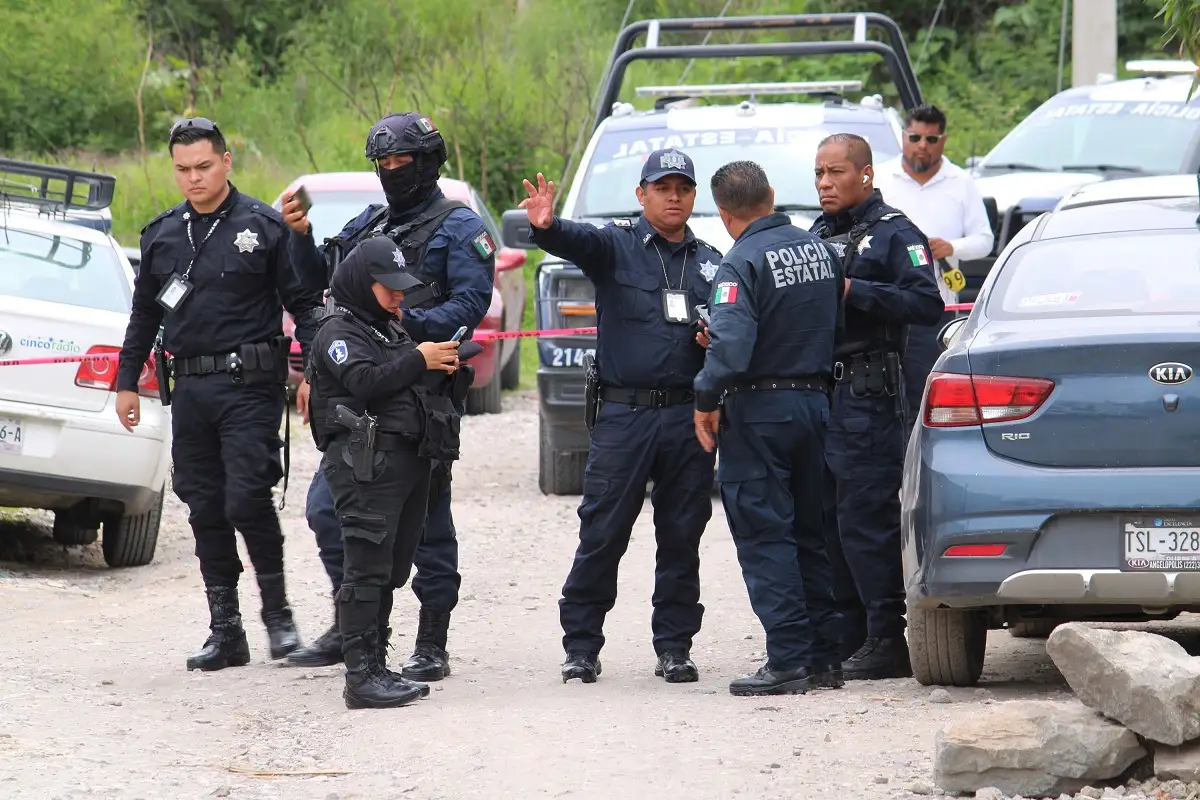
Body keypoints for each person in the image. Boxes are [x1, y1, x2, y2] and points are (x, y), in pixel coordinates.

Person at [279, 112, 494, 681]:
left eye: (404, 162)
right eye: (384, 163)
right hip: (360, 397)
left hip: (424, 396)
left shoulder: (460, 228)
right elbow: (328, 295)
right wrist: (299, 241)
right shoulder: (365, 225)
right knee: (330, 512)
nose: (393, 172)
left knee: (425, 522)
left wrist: (399, 323)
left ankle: (431, 641)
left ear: (428, 164)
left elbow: (468, 308)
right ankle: (358, 627)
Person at [116, 117, 323, 671]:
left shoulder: (263, 225)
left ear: (227, 162)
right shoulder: (162, 234)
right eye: (183, 169)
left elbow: (303, 306)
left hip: (250, 385)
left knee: (246, 497)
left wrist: (319, 374)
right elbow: (143, 315)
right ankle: (225, 629)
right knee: (203, 503)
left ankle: (278, 618)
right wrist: (125, 380)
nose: (194, 178)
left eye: (204, 166)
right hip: (190, 388)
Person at [518, 149, 723, 684]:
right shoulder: (617, 245)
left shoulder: (711, 262)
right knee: (603, 532)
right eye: (662, 187)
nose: (673, 196)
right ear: (642, 194)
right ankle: (581, 646)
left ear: (693, 195)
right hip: (624, 415)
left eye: (682, 187)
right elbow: (575, 240)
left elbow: (730, 331)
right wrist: (547, 225)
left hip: (687, 419)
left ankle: (675, 647)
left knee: (682, 536)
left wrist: (712, 339)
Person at [693, 160, 846, 697]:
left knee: (765, 535)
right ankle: (826, 656)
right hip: (816, 406)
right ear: (772, 195)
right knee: (813, 531)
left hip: (760, 412)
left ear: (723, 213)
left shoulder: (739, 264)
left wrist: (705, 396)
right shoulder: (820, 250)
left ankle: (787, 659)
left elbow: (731, 348)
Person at [306, 235, 479, 709]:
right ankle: (360, 677)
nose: (399, 294)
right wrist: (418, 357)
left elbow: (403, 380)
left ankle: (378, 666)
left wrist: (443, 365)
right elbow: (363, 380)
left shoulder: (387, 327)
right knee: (365, 567)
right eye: (389, 286)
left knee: (390, 568)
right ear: (365, 283)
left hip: (405, 459)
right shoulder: (338, 330)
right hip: (365, 462)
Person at [809, 133, 944, 681]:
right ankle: (849, 633)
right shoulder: (816, 235)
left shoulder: (895, 232)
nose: (824, 183)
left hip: (871, 395)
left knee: (866, 520)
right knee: (827, 518)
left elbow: (925, 303)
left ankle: (888, 638)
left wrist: (854, 292)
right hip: (823, 394)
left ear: (865, 174)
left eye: (835, 172)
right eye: (818, 173)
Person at [872, 104, 994, 428]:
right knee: (880, 394)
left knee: (925, 394)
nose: (922, 145)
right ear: (903, 137)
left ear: (943, 139)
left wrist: (952, 247)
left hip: (934, 308)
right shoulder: (880, 177)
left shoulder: (961, 181)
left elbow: (985, 239)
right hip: (883, 306)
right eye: (914, 137)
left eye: (931, 138)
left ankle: (917, 465)